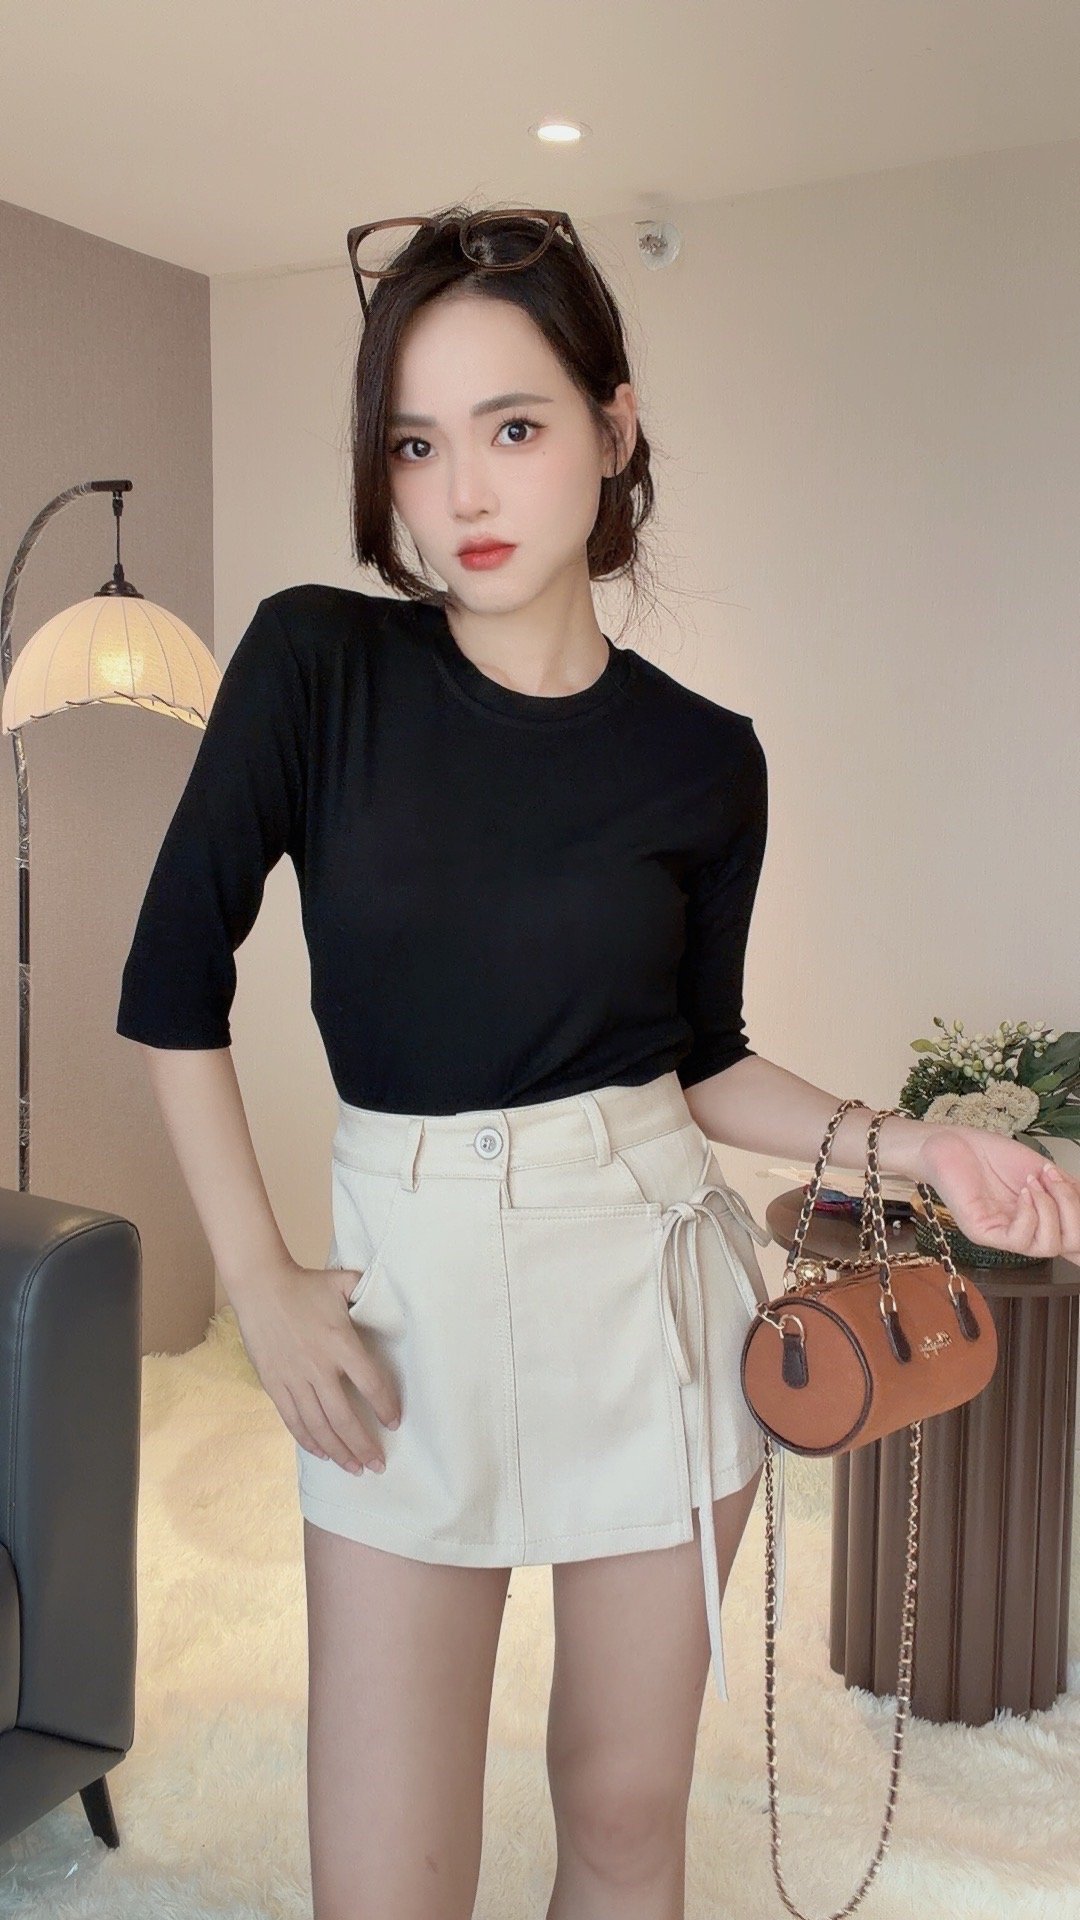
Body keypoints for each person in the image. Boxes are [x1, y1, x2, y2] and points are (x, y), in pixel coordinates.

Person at [115, 206, 1078, 1920]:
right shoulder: (316, 667)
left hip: (651, 1297)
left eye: (514, 426)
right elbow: (172, 984)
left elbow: (700, 1063)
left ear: (614, 429)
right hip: (405, 1318)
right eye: (416, 444)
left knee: (628, 1827)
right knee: (383, 1888)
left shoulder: (705, 760)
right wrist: (257, 1281)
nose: (461, 494)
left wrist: (919, 1148)